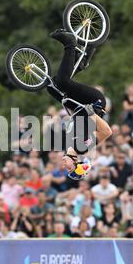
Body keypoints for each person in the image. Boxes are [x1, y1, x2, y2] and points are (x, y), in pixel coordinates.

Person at [46, 29, 112, 179]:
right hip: (93, 103)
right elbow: (106, 131)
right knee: (63, 82)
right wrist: (91, 113)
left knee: (52, 87)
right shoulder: (82, 147)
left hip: (79, 106)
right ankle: (70, 43)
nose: (64, 167)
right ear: (77, 163)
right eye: (69, 169)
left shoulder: (68, 146)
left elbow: (77, 119)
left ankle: (80, 62)